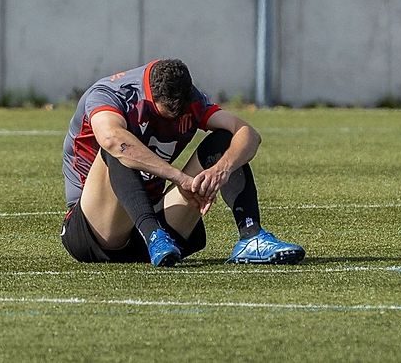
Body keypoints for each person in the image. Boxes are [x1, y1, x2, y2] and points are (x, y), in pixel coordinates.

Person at [60, 58, 305, 267]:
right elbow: (112, 140)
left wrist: (222, 169)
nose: (175, 120)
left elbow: (248, 134)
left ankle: (252, 237)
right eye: (166, 114)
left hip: (159, 227)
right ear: (150, 96)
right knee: (121, 148)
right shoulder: (112, 94)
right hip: (94, 230)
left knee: (226, 141)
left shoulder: (192, 99)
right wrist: (180, 178)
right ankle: (152, 234)